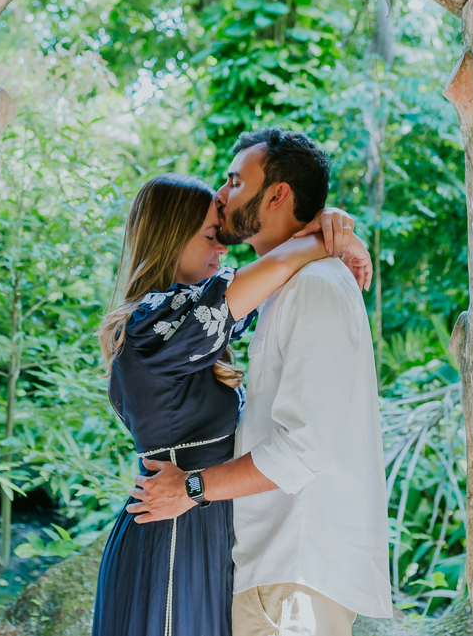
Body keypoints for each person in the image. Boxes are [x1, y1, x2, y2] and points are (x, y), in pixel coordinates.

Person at [128, 129, 392, 636]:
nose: (221, 194)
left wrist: (192, 487)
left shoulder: (313, 287)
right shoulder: (281, 287)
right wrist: (324, 230)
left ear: (277, 194)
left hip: (294, 568)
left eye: (233, 180)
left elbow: (303, 449)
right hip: (272, 567)